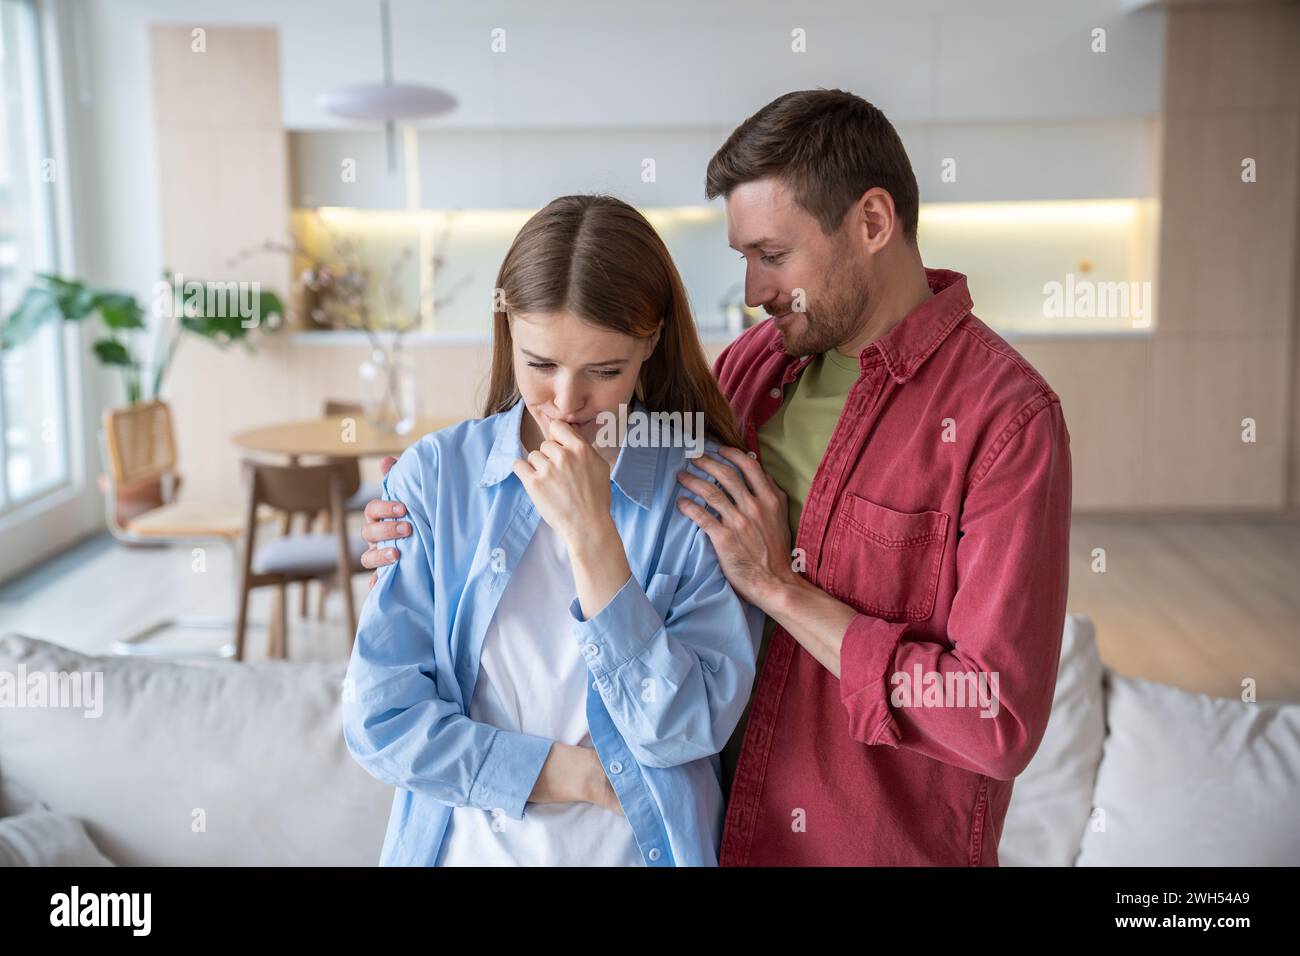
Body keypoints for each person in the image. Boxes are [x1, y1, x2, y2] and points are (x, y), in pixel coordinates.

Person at [361, 90, 1073, 866]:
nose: (752, 292)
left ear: (872, 223)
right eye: (743, 259)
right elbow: (590, 425)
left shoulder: (1005, 422)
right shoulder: (751, 375)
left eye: (772, 256)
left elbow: (992, 719)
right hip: (716, 835)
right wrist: (426, 492)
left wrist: (781, 590)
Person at [342, 194, 763, 867]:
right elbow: (381, 721)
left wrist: (593, 535)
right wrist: (578, 777)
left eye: (605, 371)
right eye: (540, 365)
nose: (568, 405)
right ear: (507, 331)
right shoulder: (433, 478)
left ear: (650, 343)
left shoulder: (705, 490)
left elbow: (682, 730)